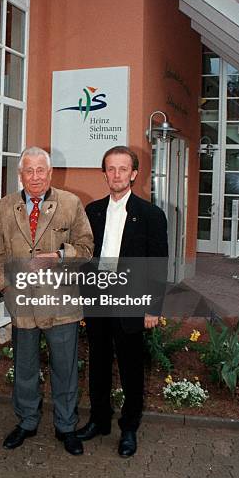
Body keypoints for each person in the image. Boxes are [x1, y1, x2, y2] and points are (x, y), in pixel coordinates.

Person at [0, 146, 93, 456]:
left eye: (41, 170)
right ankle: (27, 421)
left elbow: (87, 248)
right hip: (21, 302)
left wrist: (62, 256)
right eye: (28, 171)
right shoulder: (3, 207)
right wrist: (4, 288)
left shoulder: (71, 203)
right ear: (20, 175)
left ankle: (66, 425)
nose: (35, 176)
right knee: (24, 367)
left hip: (61, 303)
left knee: (65, 369)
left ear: (50, 174)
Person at [76, 146, 168, 458]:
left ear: (134, 173)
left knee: (131, 367)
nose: (116, 174)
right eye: (111, 169)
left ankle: (129, 427)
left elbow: (158, 264)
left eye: (122, 169)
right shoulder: (92, 211)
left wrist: (153, 307)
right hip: (97, 301)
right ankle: (99, 421)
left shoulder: (152, 215)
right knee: (98, 364)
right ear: (104, 173)